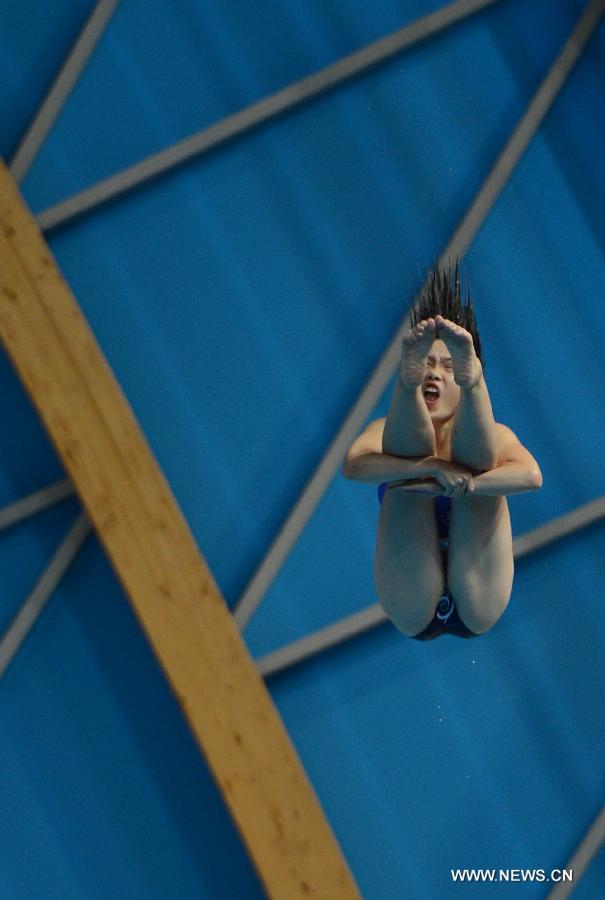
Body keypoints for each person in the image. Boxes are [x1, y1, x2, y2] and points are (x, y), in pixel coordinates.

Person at [343, 262, 542, 640]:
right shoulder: (384, 429)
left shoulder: (498, 435)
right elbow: (353, 467)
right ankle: (405, 384)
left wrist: (465, 485)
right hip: (411, 595)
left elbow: (531, 476)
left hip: (480, 590)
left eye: (447, 367)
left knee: (482, 471)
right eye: (427, 366)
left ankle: (475, 386)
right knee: (405, 470)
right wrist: (432, 467)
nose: (434, 374)